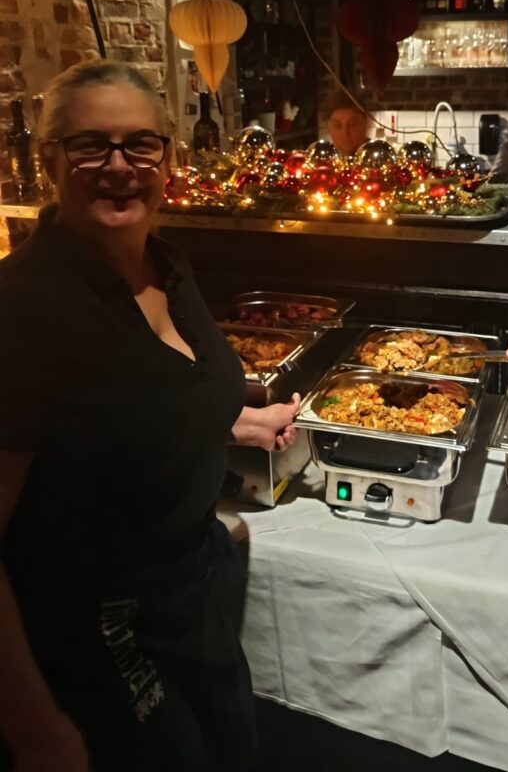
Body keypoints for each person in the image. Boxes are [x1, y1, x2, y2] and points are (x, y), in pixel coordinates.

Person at [0, 61, 301, 772]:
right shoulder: (22, 309)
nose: (119, 167)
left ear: (167, 157)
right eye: (90, 145)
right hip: (97, 627)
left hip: (195, 592)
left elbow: (139, 400)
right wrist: (35, 730)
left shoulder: (168, 264)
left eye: (140, 144)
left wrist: (233, 422)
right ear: (49, 160)